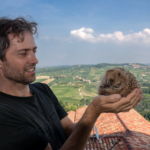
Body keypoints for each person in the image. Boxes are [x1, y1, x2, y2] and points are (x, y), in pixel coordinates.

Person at [0, 17, 143, 150]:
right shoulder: (4, 118)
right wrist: (93, 111)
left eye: (34, 51)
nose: (35, 60)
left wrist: (97, 110)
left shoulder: (43, 89)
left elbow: (69, 130)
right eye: (23, 53)